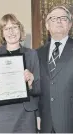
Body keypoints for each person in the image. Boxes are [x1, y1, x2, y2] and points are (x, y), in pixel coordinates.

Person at [0, 14, 40, 133]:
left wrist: (31, 83)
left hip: (26, 114)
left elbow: (39, 88)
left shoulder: (32, 54)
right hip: (1, 113)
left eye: (14, 27)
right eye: (6, 28)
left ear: (20, 29)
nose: (11, 31)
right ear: (2, 33)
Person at [37, 5, 73, 133]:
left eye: (63, 18)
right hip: (45, 123)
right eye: (54, 19)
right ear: (47, 26)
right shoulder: (37, 53)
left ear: (70, 24)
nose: (58, 21)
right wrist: (36, 115)